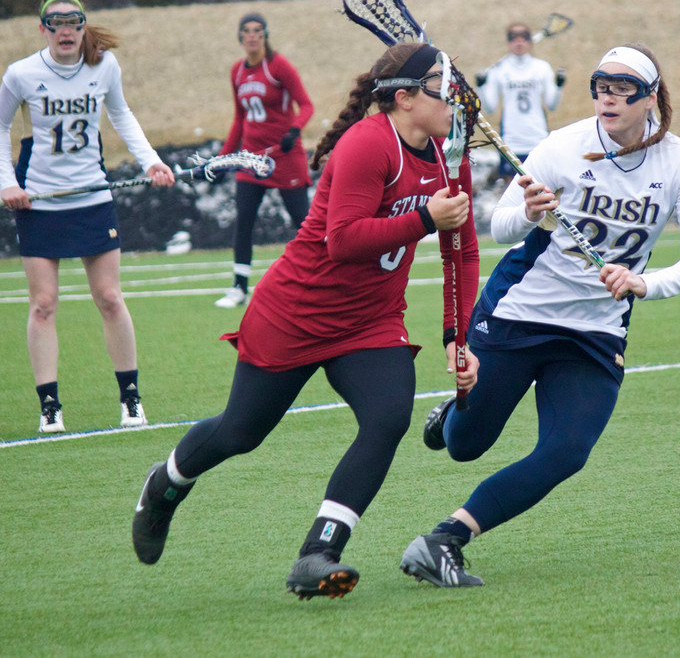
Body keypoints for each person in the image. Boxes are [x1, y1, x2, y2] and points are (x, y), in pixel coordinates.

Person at [132, 43, 479, 601]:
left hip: (370, 321)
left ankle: (319, 553)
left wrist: (456, 336)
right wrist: (423, 218)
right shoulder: (367, 144)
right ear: (406, 98)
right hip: (297, 312)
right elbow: (343, 241)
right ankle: (166, 483)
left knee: (388, 416)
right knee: (241, 432)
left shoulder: (449, 154)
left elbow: (462, 251)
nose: (454, 96)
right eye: (442, 83)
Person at [400, 44, 680, 587]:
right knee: (466, 445)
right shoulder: (562, 146)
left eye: (623, 89)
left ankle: (445, 538)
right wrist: (527, 213)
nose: (608, 98)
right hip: (520, 312)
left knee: (568, 451)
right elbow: (498, 227)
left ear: (650, 99)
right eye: (601, 87)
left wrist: (643, 283)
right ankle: (451, 418)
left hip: (594, 332)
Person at [0, 0, 176, 434]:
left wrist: (151, 161)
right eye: (56, 24)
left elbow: (121, 114)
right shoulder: (22, 73)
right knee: (43, 304)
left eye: (73, 23)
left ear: (83, 27)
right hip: (40, 201)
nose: (65, 31)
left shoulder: (104, 66)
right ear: (43, 28)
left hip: (92, 197)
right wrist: (9, 182)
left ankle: (130, 398)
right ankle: (49, 405)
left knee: (109, 298)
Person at [213, 13, 315, 308]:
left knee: (304, 224)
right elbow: (239, 119)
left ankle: (318, 282)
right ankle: (239, 288)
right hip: (251, 159)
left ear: (265, 35)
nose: (252, 36)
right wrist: (222, 160)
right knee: (244, 220)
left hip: (284, 156)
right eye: (246, 31)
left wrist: (294, 130)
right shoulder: (237, 72)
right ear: (240, 36)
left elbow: (306, 105)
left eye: (257, 31)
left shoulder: (278, 66)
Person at [475, 21, 565, 184]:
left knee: (542, 187)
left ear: (530, 41)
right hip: (511, 142)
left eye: (524, 37)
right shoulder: (498, 70)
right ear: (507, 42)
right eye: (513, 37)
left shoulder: (542, 67)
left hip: (538, 139)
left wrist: (559, 86)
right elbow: (490, 107)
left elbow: (552, 105)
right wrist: (481, 86)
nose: (519, 42)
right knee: (512, 189)